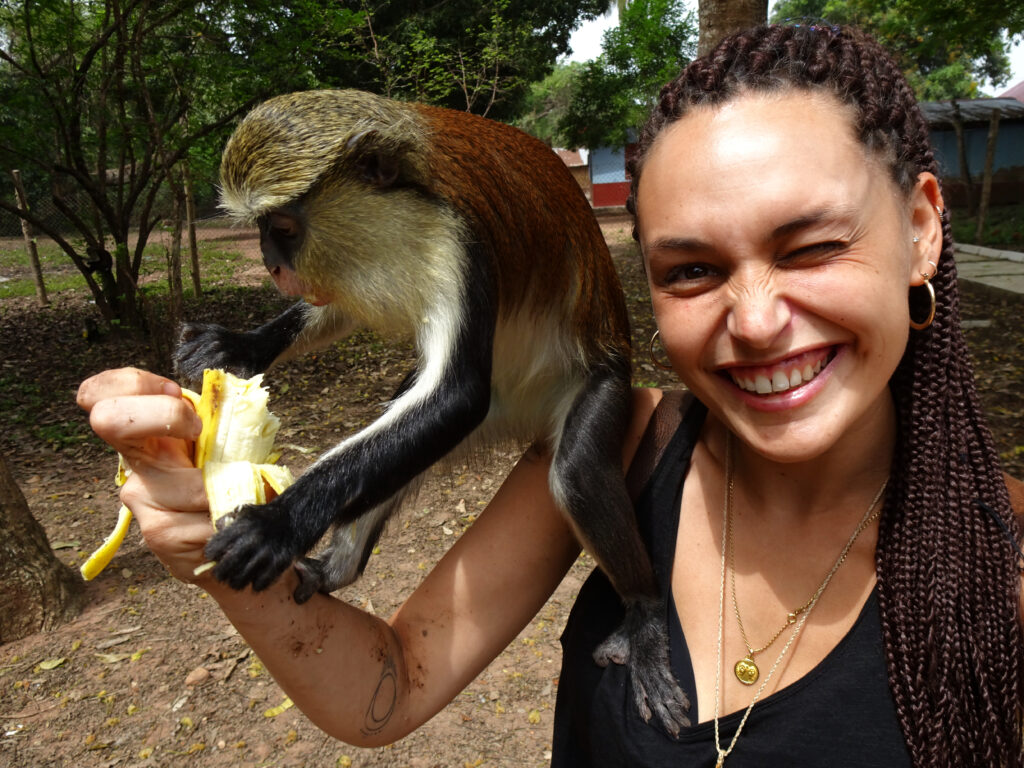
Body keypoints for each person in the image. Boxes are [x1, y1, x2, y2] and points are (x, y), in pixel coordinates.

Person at [77, 23, 1023, 767]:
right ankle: (348, 555)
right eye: (691, 268)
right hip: (495, 373)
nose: (760, 319)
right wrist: (221, 534)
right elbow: (390, 688)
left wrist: (290, 520)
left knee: (556, 464)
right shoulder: (653, 451)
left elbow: (452, 401)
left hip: (570, 374)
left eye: (813, 246)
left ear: (923, 233)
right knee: (428, 410)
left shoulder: (1002, 564)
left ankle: (641, 611)